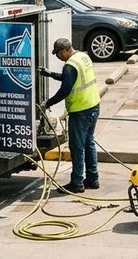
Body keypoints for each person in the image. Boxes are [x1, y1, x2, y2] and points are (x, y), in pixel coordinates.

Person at [39, 38, 100, 193]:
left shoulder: (70, 66)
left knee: (77, 147)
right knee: (89, 143)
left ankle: (77, 183)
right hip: (93, 105)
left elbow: (65, 89)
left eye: (58, 53)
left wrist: (49, 103)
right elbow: (72, 78)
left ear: (65, 50)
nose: (58, 56)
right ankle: (93, 179)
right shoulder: (83, 56)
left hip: (80, 111)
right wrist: (50, 74)